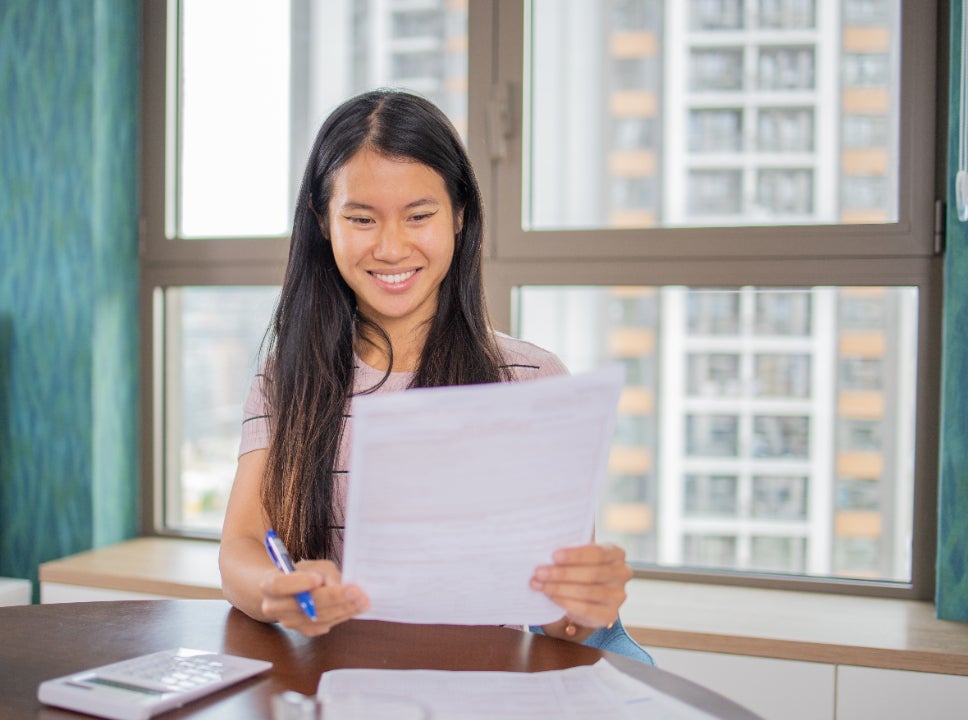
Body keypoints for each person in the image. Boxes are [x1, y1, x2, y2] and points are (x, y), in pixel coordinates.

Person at [218, 89, 652, 664]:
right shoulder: (286, 378)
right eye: (361, 219)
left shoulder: (531, 380)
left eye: (419, 216)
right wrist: (276, 592)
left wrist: (585, 603)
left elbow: (559, 618)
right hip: (337, 680)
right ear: (324, 222)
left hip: (480, 685)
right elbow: (243, 545)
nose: (392, 248)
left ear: (459, 217)